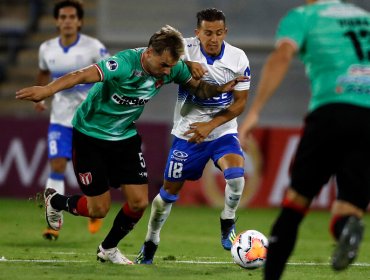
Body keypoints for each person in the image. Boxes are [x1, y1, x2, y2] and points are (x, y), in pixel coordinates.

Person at [16, 24, 246, 265]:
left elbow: (198, 88)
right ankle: (55, 201)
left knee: (139, 202)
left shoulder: (171, 67)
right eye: (164, 65)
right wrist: (47, 90)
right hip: (90, 136)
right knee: (98, 210)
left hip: (124, 137)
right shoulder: (123, 64)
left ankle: (108, 248)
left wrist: (220, 89)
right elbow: (80, 75)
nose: (168, 72)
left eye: (172, 66)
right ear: (149, 53)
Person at [238, 1, 370, 279]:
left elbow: (282, 57)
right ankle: (347, 226)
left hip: (331, 111)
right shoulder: (363, 17)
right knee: (348, 209)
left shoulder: (303, 17)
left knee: (295, 205)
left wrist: (256, 111)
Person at [135, 8, 251, 264]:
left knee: (236, 177)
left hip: (222, 132)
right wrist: (185, 63)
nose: (213, 38)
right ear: (197, 32)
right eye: (207, 33)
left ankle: (228, 219)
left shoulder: (238, 58)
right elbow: (157, 49)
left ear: (225, 32)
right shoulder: (183, 48)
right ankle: (151, 240)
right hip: (187, 135)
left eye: (219, 33)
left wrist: (212, 125)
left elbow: (240, 103)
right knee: (165, 198)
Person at [34, 0, 109, 240]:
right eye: (63, 17)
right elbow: (44, 72)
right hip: (60, 120)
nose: (67, 21)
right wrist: (40, 96)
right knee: (57, 164)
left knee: (96, 169)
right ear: (57, 21)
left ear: (79, 21)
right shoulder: (46, 49)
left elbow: (109, 74)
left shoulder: (94, 47)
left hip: (89, 121)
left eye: (71, 17)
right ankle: (53, 221)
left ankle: (95, 210)